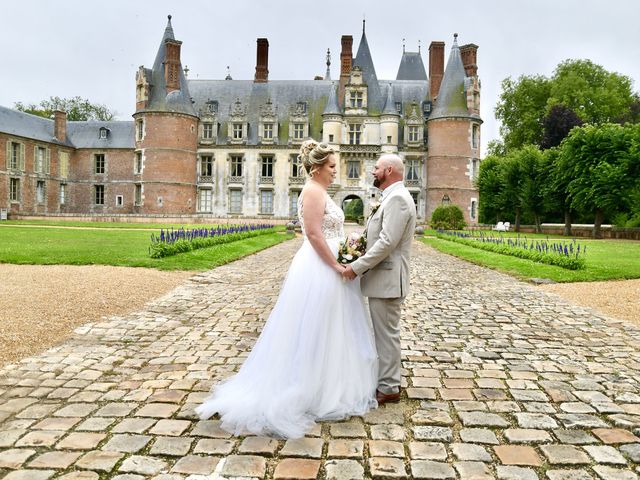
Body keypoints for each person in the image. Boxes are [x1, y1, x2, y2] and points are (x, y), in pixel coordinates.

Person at [196, 140, 378, 439]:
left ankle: (328, 383)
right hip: (320, 267)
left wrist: (349, 246)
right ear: (317, 168)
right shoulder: (312, 191)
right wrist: (335, 265)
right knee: (315, 325)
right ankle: (311, 387)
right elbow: (314, 234)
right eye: (332, 167)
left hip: (330, 263)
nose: (336, 172)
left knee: (331, 326)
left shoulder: (321, 191)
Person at [343, 154, 417, 405]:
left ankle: (388, 387)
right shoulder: (391, 198)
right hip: (383, 279)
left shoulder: (398, 199)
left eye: (376, 168)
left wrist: (356, 266)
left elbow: (387, 242)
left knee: (386, 335)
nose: (372, 171)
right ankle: (386, 382)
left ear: (388, 170)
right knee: (384, 333)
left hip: (387, 280)